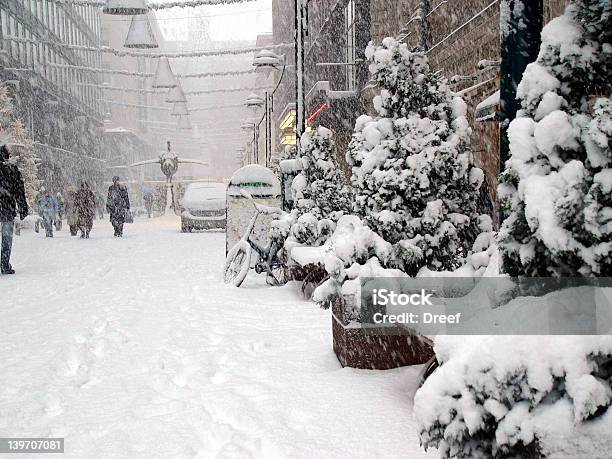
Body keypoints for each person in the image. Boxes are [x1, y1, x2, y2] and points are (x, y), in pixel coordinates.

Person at [0, 144, 28, 275]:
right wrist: (22, 207)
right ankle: (4, 264)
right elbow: (19, 190)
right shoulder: (12, 170)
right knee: (6, 238)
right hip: (7, 209)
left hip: (5, 207)